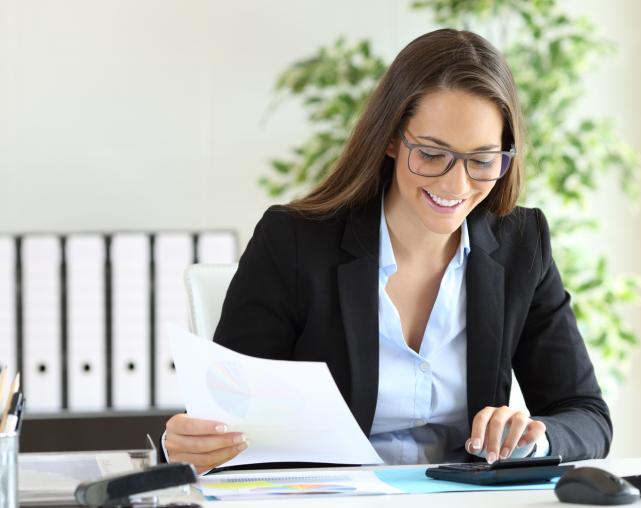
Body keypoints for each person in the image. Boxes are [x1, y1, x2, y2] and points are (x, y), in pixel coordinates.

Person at [163, 28, 612, 474]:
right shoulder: (294, 242)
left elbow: (586, 414)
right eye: (433, 155)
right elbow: (227, 415)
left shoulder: (521, 244)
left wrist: (533, 436)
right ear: (393, 139)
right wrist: (188, 443)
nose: (456, 186)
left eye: (482, 160)